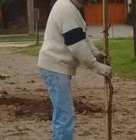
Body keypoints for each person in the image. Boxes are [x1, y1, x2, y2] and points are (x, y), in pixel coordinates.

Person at [37, 0, 111, 139]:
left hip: (57, 67)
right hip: (55, 66)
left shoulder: (72, 7)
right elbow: (76, 45)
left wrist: (96, 53)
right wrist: (98, 67)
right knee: (65, 116)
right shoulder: (67, 8)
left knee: (62, 115)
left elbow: (82, 36)